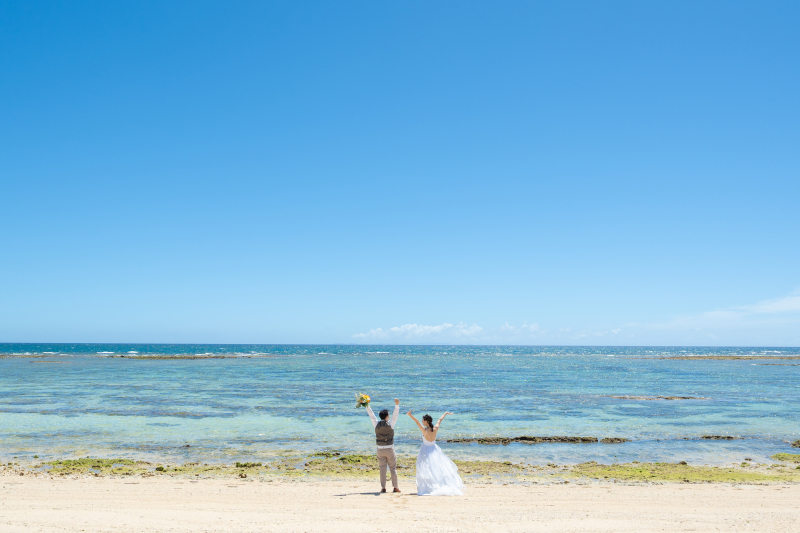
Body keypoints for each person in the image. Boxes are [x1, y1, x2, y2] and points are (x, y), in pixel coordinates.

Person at [406, 410, 464, 496]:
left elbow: (417, 422)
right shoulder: (435, 428)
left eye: (423, 420)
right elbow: (440, 420)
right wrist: (445, 413)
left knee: (427, 470)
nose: (422, 421)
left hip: (425, 451)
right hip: (434, 450)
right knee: (436, 469)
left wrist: (409, 415)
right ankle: (436, 484)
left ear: (426, 421)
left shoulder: (424, 430)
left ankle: (429, 487)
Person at [366, 398, 401, 493]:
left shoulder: (376, 424)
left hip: (380, 449)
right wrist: (397, 405)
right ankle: (395, 487)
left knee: (382, 469)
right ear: (387, 416)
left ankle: (383, 488)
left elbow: (371, 415)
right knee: (393, 468)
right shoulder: (391, 424)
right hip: (389, 449)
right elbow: (395, 415)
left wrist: (367, 405)